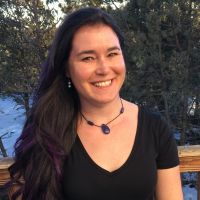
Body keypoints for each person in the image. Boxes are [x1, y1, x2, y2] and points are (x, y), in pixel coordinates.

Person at [8, 7, 183, 200]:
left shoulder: (155, 128)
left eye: (112, 54)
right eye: (88, 58)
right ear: (67, 68)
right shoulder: (46, 128)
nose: (104, 68)